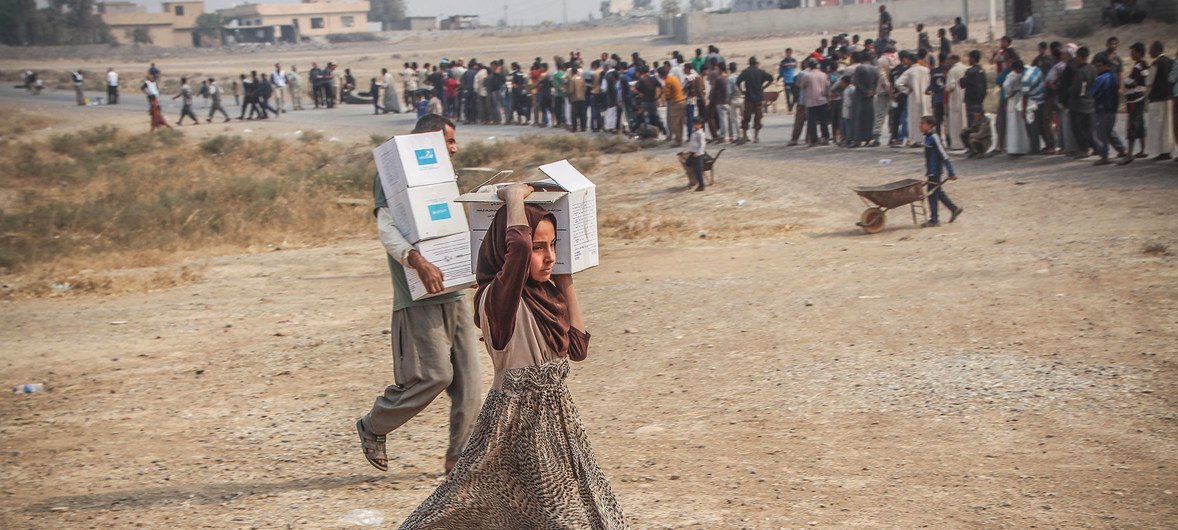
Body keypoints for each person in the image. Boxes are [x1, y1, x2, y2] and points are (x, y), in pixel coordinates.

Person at [397, 181, 625, 528]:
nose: (549, 256)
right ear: (508, 253)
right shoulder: (499, 300)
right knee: (550, 515)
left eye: (552, 246)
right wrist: (514, 197)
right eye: (538, 248)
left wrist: (566, 282)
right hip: (517, 419)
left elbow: (577, 349)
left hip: (559, 420)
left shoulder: (546, 296)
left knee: (576, 506)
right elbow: (516, 246)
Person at [357, 114, 482, 477]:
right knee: (434, 376)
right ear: (427, 140)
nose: (455, 148)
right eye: (449, 140)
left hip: (454, 296)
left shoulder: (443, 177)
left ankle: (459, 461)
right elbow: (387, 228)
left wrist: (469, 269)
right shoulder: (389, 174)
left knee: (471, 385)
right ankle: (374, 425)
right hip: (418, 298)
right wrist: (418, 261)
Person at [919, 115, 962, 228]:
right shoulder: (926, 138)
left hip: (936, 171)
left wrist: (951, 172)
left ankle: (934, 220)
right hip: (931, 171)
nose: (920, 126)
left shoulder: (934, 138)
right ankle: (954, 209)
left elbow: (944, 155)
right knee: (938, 192)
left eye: (923, 124)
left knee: (932, 194)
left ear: (930, 125)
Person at [897, 51, 932, 148]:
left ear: (909, 60)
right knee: (925, 117)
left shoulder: (909, 71)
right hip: (926, 97)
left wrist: (907, 90)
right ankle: (925, 139)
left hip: (914, 98)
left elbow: (898, 83)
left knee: (914, 119)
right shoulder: (926, 70)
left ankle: (916, 140)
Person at [1145, 41, 1174, 160]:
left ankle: (1160, 151)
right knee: (1168, 127)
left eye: (1151, 49)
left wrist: (1146, 96)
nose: (1149, 52)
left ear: (1157, 50)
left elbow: (1149, 82)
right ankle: (1167, 151)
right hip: (1169, 98)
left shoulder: (1156, 63)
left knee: (1157, 126)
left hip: (1157, 99)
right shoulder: (1171, 62)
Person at [1120, 42, 1148, 162]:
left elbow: (1128, 81)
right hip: (1141, 98)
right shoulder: (1145, 65)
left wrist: (1128, 82)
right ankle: (1142, 150)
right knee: (1140, 123)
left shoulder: (1137, 67)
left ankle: (1129, 154)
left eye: (1133, 51)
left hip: (1134, 99)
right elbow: (1144, 81)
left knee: (1132, 124)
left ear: (1139, 53)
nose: (1131, 54)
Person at [1091, 55, 1120, 165]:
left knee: (1100, 133)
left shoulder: (1102, 78)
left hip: (1103, 109)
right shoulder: (1114, 76)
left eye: (1099, 66)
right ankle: (1121, 150)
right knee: (1109, 132)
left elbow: (1092, 93)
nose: (1097, 68)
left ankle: (1104, 157)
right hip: (1112, 109)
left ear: (1106, 65)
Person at [736, 57, 773, 144]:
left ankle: (745, 136)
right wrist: (764, 87)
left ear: (749, 63)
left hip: (748, 97)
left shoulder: (746, 72)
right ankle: (756, 137)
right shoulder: (760, 72)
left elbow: (738, 82)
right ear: (756, 63)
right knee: (758, 117)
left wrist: (742, 91)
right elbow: (771, 78)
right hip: (758, 98)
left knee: (746, 117)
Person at [1069, 47, 1096, 159]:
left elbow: (1078, 89)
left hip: (1079, 104)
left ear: (1080, 57)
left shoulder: (1080, 72)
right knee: (1089, 128)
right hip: (1090, 102)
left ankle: (1084, 149)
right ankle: (1095, 148)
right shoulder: (1093, 69)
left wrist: (1069, 91)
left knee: (1077, 128)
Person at [800, 59, 831, 146]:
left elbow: (802, 86)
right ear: (817, 65)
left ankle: (814, 140)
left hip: (811, 101)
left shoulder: (807, 76)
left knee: (812, 122)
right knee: (823, 120)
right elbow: (828, 86)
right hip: (822, 99)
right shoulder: (824, 75)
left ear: (809, 66)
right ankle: (826, 137)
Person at [662, 66, 687, 145]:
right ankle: (680, 139)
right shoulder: (673, 77)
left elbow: (668, 95)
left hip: (676, 103)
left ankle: (678, 141)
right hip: (682, 101)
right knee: (680, 122)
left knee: (673, 123)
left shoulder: (667, 81)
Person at [686, 119, 708, 191]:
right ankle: (693, 180)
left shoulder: (700, 134)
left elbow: (702, 145)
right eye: (694, 124)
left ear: (701, 125)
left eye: (697, 124)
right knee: (687, 163)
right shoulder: (694, 132)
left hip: (698, 154)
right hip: (692, 152)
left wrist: (698, 153)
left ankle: (701, 186)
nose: (695, 125)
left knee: (698, 170)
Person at [778, 48, 799, 112]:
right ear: (786, 53)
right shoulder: (783, 62)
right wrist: (780, 76)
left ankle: (792, 105)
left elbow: (795, 68)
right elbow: (781, 71)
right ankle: (789, 108)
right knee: (788, 95)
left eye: (790, 52)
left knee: (796, 95)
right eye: (787, 52)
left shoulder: (794, 60)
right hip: (787, 81)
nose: (788, 54)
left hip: (794, 80)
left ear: (791, 53)